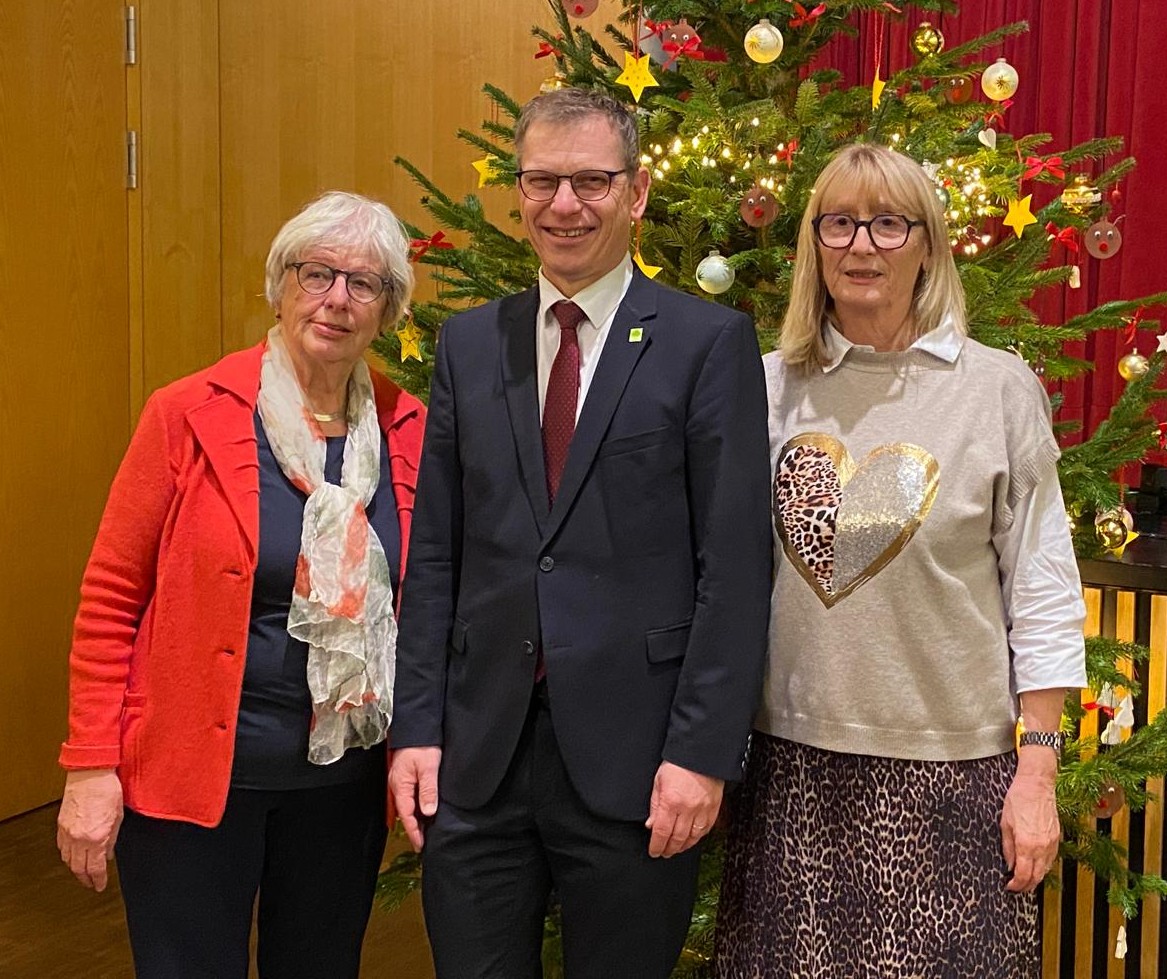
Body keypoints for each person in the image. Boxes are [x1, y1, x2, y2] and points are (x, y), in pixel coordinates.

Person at [388, 87, 771, 979]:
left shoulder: (705, 343)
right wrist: (416, 728)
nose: (565, 205)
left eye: (591, 181)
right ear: (518, 191)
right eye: (542, 181)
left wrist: (699, 754)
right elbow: (435, 551)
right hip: (477, 762)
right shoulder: (468, 343)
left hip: (638, 770)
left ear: (636, 193)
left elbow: (734, 566)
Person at [715, 143, 1088, 978]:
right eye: (838, 222)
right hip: (792, 777)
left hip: (957, 781)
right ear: (812, 243)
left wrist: (1036, 771)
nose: (860, 245)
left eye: (888, 223)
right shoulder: (764, 386)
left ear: (927, 243)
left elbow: (1044, 587)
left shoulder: (996, 389)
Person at [55, 191, 426, 978]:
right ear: (280, 283)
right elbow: (111, 597)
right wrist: (91, 766)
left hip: (340, 784)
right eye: (316, 272)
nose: (335, 298)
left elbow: (427, 606)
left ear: (387, 308)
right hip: (189, 785)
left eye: (363, 283)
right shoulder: (188, 413)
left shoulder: (408, 427)